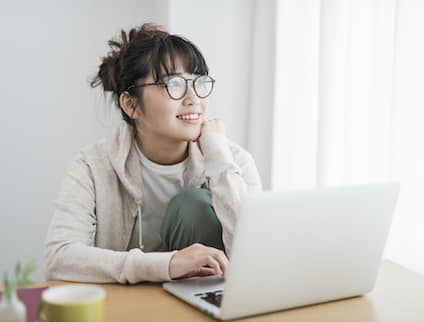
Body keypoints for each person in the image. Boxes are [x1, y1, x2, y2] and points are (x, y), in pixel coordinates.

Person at [44, 23, 262, 284]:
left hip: (205, 301)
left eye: (199, 82)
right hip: (130, 304)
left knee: (193, 206)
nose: (193, 98)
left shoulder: (232, 160)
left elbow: (256, 258)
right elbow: (59, 257)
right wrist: (168, 264)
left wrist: (219, 159)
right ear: (131, 104)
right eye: (174, 84)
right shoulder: (93, 166)